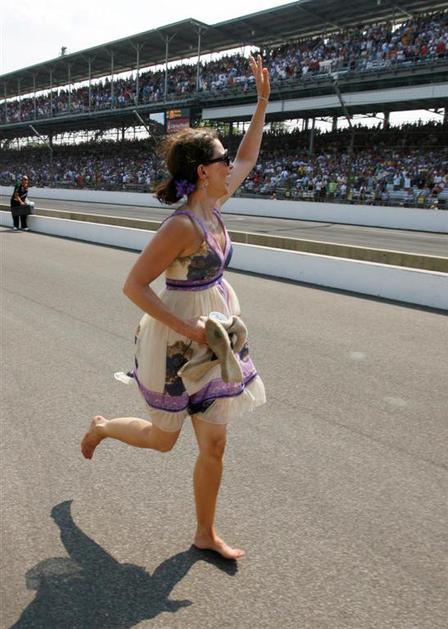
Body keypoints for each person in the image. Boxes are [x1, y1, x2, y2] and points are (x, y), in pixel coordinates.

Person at [81, 56, 270, 560]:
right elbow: (134, 285)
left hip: (214, 333)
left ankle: (204, 533)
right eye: (222, 159)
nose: (231, 165)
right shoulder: (182, 226)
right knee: (163, 441)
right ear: (204, 172)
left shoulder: (216, 204)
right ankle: (103, 427)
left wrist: (262, 104)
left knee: (214, 444)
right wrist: (187, 328)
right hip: (176, 338)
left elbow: (249, 156)